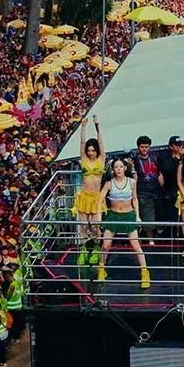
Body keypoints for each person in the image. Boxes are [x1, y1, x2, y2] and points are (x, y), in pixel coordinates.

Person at [98, 157, 151, 289]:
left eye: (121, 167)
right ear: (113, 169)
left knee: (136, 246)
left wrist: (137, 215)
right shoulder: (109, 183)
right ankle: (101, 269)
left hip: (128, 215)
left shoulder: (132, 182)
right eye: (116, 167)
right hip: (113, 216)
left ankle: (145, 273)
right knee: (105, 245)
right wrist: (99, 217)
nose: (119, 169)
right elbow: (99, 200)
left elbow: (135, 198)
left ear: (125, 168)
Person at [73, 115, 104, 268]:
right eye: (89, 150)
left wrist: (97, 126)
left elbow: (100, 141)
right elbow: (82, 142)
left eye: (93, 150)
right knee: (84, 225)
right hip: (84, 197)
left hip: (96, 198)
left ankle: (97, 249)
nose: (91, 152)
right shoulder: (84, 160)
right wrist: (83, 127)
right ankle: (84, 250)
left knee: (96, 225)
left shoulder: (101, 159)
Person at [129, 135, 163, 238]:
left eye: (146, 147)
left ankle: (157, 235)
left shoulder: (155, 158)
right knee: (148, 219)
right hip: (142, 193)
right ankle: (150, 240)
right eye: (142, 147)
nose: (144, 149)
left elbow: (160, 173)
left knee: (160, 216)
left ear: (150, 147)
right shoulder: (134, 160)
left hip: (157, 191)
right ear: (138, 147)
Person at [158, 135, 183, 242]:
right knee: (169, 215)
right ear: (171, 146)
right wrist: (177, 158)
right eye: (177, 145)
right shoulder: (165, 158)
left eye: (181, 144)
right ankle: (168, 239)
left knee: (183, 217)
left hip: (183, 192)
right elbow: (168, 172)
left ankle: (182, 238)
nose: (180, 146)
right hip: (169, 191)